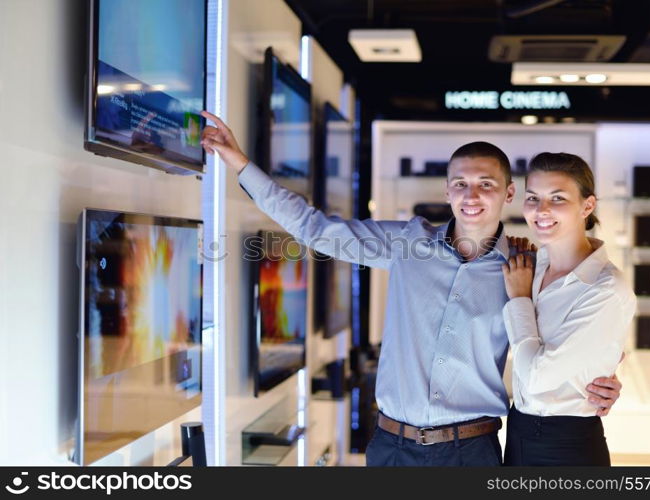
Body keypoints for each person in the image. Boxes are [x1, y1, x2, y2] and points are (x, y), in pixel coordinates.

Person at [199, 111, 623, 466]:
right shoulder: (406, 244)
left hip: (472, 453)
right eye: (460, 183)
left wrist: (606, 377)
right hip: (390, 448)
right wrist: (241, 164)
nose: (471, 195)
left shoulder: (524, 267)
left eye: (486, 184)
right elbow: (316, 229)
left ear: (509, 193)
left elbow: (571, 331)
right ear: (447, 190)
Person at [501, 152, 636, 466]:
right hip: (517, 432)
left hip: (568, 446)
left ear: (587, 206)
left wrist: (520, 299)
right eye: (533, 197)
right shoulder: (531, 263)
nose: (541, 210)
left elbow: (536, 378)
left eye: (557, 198)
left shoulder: (606, 288)